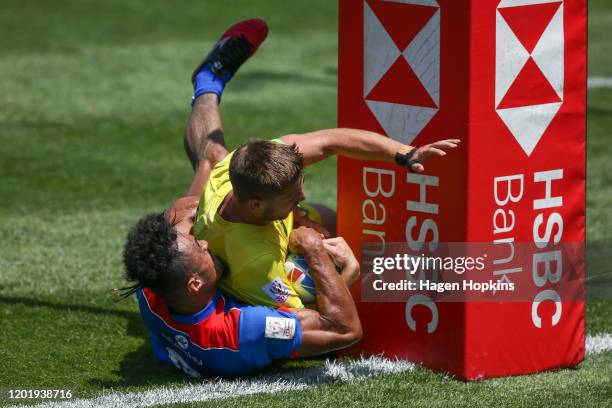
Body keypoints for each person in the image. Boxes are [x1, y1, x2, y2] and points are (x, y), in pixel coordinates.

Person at [185, 19, 460, 309]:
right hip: (243, 261)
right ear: (255, 205)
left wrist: (405, 153)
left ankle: (208, 81)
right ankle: (207, 80)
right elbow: (315, 322)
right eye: (292, 198)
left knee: (214, 157)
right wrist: (350, 273)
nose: (302, 196)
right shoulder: (255, 264)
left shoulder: (238, 168)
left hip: (247, 213)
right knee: (204, 173)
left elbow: (330, 141)